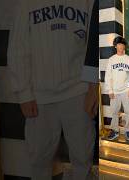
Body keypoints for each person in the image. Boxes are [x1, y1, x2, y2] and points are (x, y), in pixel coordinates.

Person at [7, 0, 97, 179]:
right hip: (40, 96)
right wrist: (24, 93)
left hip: (78, 91)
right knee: (39, 159)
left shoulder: (87, 2)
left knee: (82, 158)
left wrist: (93, 87)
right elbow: (18, 49)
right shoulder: (25, 4)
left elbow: (93, 44)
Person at [105, 36, 129, 142]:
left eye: (122, 44)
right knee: (114, 112)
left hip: (126, 90)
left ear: (124, 46)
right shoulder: (112, 59)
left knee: (128, 111)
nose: (121, 46)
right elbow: (108, 76)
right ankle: (115, 130)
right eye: (118, 44)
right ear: (115, 46)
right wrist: (110, 90)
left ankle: (128, 131)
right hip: (115, 92)